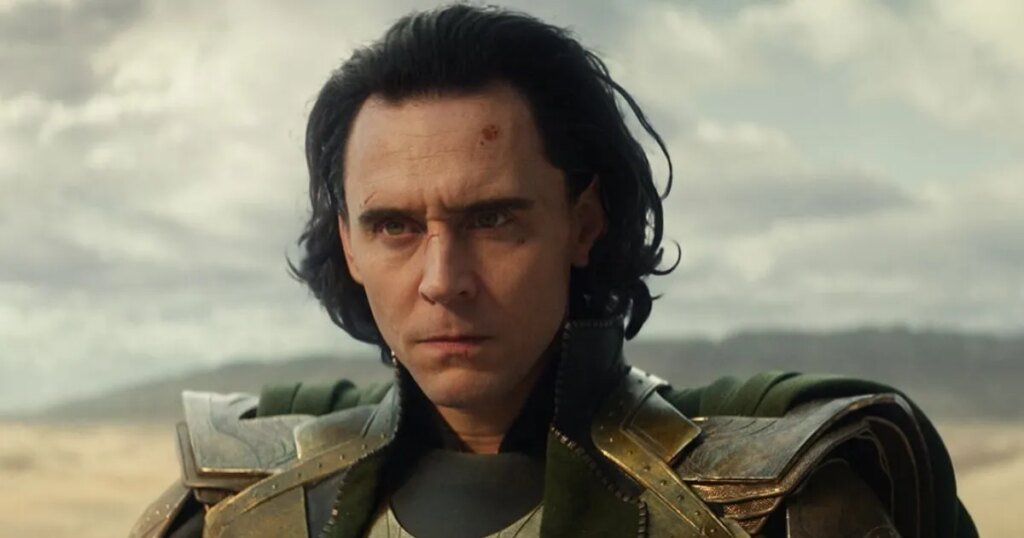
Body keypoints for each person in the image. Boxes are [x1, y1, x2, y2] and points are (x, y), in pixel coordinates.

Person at [130, 4, 976, 538]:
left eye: (492, 219)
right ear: (348, 245)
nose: (443, 279)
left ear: (584, 222)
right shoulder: (241, 510)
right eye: (394, 227)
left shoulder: (774, 509)